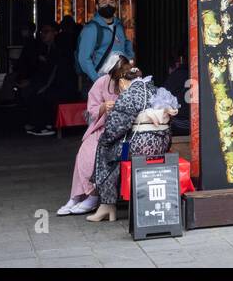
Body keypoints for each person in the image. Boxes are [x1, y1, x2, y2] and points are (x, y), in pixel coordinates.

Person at [87, 64, 175, 223]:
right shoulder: (153, 88)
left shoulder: (129, 95)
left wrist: (104, 140)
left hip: (139, 146)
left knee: (106, 149)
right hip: (161, 142)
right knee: (115, 149)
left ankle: (107, 204)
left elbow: (114, 129)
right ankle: (108, 206)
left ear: (121, 82)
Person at [58, 55, 133, 217]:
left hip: (123, 131)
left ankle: (92, 196)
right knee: (86, 152)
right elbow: (91, 109)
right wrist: (102, 107)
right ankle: (76, 196)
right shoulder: (101, 82)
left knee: (103, 153)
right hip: (102, 126)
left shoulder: (132, 82)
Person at [76, 0, 133, 86]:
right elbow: (84, 59)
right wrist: (98, 81)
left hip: (120, 81)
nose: (108, 5)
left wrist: (129, 62)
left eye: (111, 2)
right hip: (99, 82)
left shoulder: (119, 26)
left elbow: (127, 45)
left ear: (116, 5)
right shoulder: (91, 29)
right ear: (97, 6)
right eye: (104, 2)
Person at [19, 23, 61, 136]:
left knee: (38, 94)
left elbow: (55, 71)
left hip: (58, 83)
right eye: (42, 32)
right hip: (46, 81)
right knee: (28, 90)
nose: (43, 34)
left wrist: (45, 86)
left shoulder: (58, 49)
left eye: (46, 32)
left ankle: (42, 126)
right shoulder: (44, 48)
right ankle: (37, 123)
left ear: (55, 33)